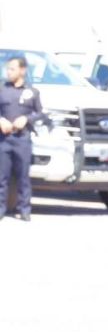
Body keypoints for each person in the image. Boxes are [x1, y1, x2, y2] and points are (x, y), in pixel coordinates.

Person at [0, 56, 41, 222]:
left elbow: (40, 113)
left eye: (12, 69)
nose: (8, 72)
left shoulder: (32, 91)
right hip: (4, 139)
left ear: (22, 70)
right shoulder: (2, 89)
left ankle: (24, 209)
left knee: (23, 177)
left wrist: (27, 119)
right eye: (7, 69)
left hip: (22, 139)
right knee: (2, 177)